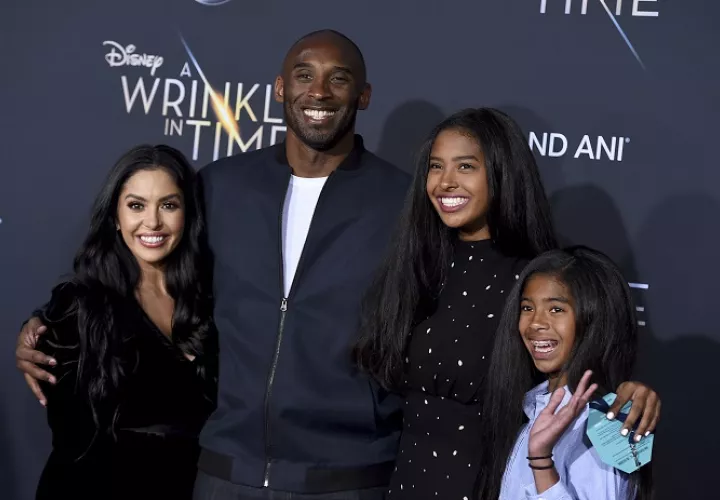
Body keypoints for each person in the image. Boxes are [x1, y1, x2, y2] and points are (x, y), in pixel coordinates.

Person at [16, 30, 409, 499]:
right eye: (304, 75)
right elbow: (152, 270)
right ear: (280, 89)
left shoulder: (404, 202)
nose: (319, 92)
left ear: (363, 96)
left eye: (338, 78)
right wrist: (49, 322)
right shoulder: (221, 186)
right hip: (224, 474)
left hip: (348, 476)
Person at [353, 108, 661, 499]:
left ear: (500, 172)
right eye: (435, 167)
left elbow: (590, 380)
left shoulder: (538, 279)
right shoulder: (416, 268)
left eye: (465, 166)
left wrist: (633, 398)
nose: (445, 182)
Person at [30, 144, 217, 499]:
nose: (153, 222)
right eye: (136, 205)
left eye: (168, 205)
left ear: (187, 213)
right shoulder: (79, 306)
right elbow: (73, 444)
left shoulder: (211, 304)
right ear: (115, 216)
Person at [479, 246, 654, 500]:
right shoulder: (530, 405)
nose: (535, 322)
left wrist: (541, 461)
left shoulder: (614, 422)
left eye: (556, 309)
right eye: (527, 308)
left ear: (594, 318)